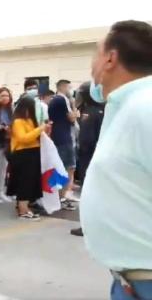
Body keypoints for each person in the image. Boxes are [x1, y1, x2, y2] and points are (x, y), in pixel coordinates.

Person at [80, 20, 152, 299]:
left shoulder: (145, 107)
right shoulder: (125, 105)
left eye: (96, 53)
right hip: (130, 279)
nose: (92, 65)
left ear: (110, 58)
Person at [70, 82, 104, 237]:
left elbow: (86, 140)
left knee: (88, 193)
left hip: (89, 158)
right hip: (101, 157)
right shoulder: (104, 109)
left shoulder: (88, 113)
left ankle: (87, 226)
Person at [7, 97, 50, 221]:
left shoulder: (30, 120)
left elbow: (34, 135)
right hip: (23, 154)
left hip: (33, 152)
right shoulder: (18, 121)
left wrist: (43, 130)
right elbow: (23, 138)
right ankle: (23, 210)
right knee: (24, 182)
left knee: (30, 181)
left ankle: (25, 207)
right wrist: (39, 129)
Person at [49, 79, 80, 209]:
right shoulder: (62, 100)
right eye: (69, 87)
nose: (70, 90)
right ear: (63, 87)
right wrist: (74, 107)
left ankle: (59, 196)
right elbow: (72, 117)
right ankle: (62, 196)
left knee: (62, 167)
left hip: (60, 136)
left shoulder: (55, 100)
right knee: (68, 167)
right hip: (64, 138)